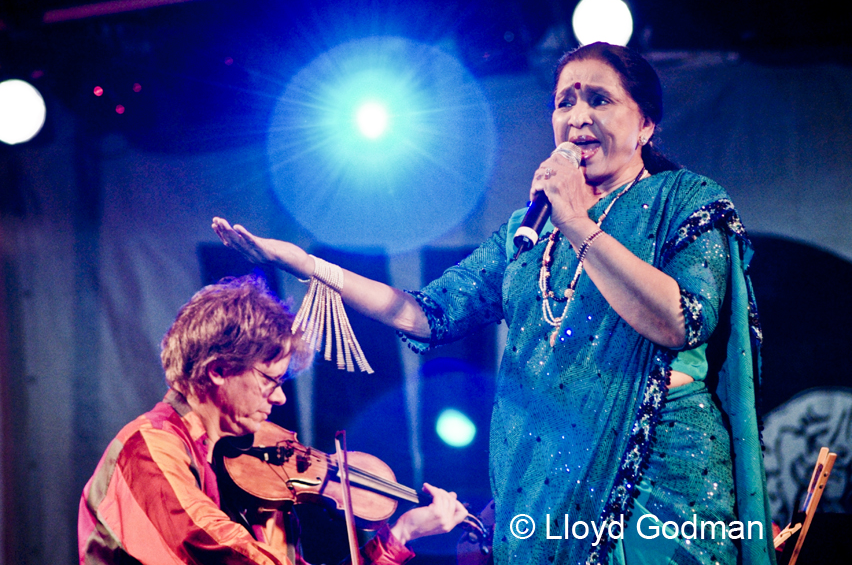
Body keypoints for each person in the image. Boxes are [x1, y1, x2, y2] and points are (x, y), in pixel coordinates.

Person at [212, 42, 776, 565]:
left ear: (646, 124)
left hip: (656, 471)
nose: (577, 117)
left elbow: (682, 322)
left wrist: (577, 221)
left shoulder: (685, 200)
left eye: (599, 99)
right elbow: (424, 314)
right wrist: (309, 267)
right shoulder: (527, 233)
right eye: (565, 102)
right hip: (542, 484)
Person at [78, 275, 468, 565]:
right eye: (269, 380)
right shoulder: (148, 448)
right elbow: (219, 548)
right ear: (219, 369)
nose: (280, 396)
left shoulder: (250, 474)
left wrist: (402, 533)